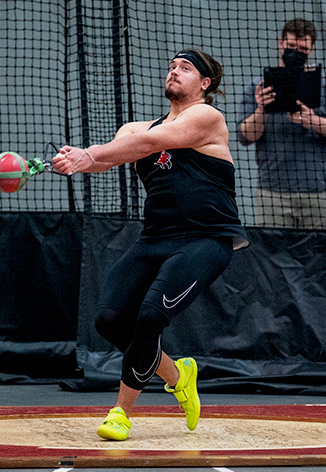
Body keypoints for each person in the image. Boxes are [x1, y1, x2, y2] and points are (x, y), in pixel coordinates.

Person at [53, 49, 248, 441]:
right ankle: (178, 375)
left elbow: (154, 141)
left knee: (149, 317)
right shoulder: (132, 129)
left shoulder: (207, 117)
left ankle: (121, 414)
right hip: (156, 239)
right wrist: (76, 160)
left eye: (186, 68)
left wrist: (89, 154)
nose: (174, 71)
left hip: (206, 239)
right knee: (109, 320)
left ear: (205, 84)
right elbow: (112, 156)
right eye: (172, 66)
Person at [238, 18, 326, 229]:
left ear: (311, 50)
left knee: (319, 258)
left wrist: (315, 121)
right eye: (291, 46)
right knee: (272, 260)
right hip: (273, 193)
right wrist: (261, 109)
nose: (296, 52)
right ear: (280, 43)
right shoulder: (259, 86)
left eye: (302, 48)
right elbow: (245, 136)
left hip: (318, 193)